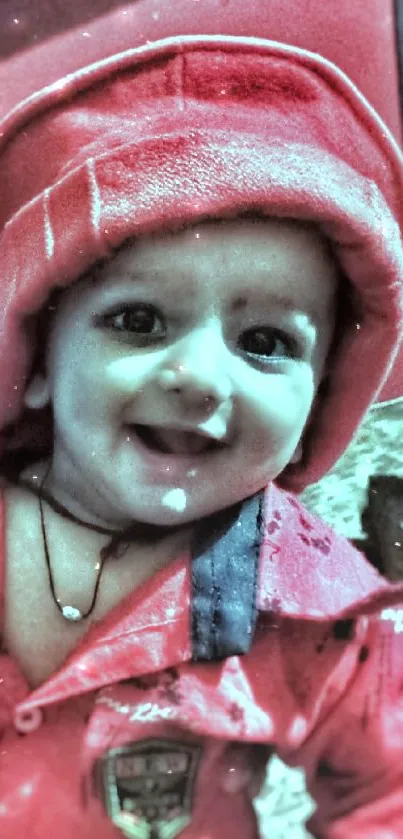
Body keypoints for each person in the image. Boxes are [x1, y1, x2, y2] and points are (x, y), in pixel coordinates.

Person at [1, 31, 403, 839]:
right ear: (38, 363)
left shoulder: (307, 607)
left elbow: (387, 789)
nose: (201, 376)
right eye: (138, 320)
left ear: (314, 410)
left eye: (264, 342)